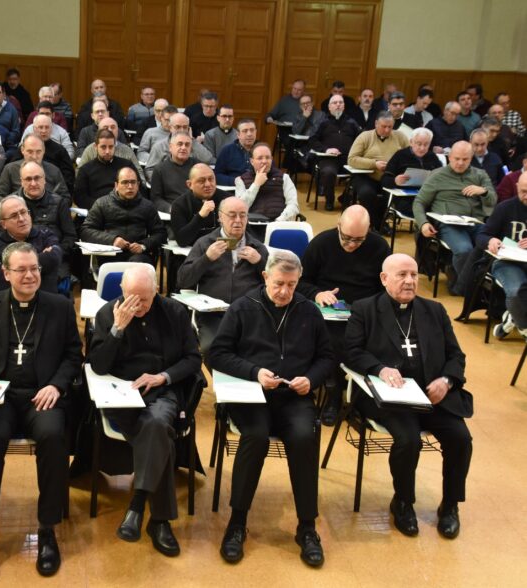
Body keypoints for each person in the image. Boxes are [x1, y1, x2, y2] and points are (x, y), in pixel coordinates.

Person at [0, 242, 82, 579]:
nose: (29, 275)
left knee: (54, 436)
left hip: (42, 395)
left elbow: (73, 355)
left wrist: (56, 385)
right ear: (6, 273)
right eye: (22, 270)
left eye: (35, 269)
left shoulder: (59, 306)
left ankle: (47, 529)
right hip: (0, 396)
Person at [209, 249, 335, 567]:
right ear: (265, 276)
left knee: (305, 437)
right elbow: (216, 354)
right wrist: (254, 372)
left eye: (292, 285)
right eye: (279, 283)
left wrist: (312, 379)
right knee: (255, 436)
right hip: (251, 395)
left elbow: (327, 358)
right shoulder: (242, 308)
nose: (284, 291)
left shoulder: (309, 311)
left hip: (293, 396)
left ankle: (307, 527)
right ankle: (237, 522)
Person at [345, 253, 473, 540]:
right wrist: (379, 368)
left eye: (414, 275)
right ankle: (403, 502)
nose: (410, 281)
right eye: (402, 275)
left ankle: (450, 505)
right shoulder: (365, 309)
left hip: (433, 396)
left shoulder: (434, 310)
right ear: (384, 278)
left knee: (461, 439)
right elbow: (351, 352)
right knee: (408, 440)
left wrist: (447, 380)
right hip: (392, 398)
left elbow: (456, 355)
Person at [89, 265, 202, 557]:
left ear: (156, 291)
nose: (137, 307)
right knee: (157, 433)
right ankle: (159, 521)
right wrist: (117, 330)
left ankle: (139, 505)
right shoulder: (107, 315)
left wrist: (163, 376)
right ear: (122, 293)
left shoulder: (175, 313)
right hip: (122, 395)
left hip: (163, 390)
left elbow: (193, 359)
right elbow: (99, 366)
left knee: (156, 424)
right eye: (131, 299)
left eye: (144, 300)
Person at [298, 205, 390, 425]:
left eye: (358, 240)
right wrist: (318, 293)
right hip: (327, 313)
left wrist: (370, 307)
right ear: (338, 226)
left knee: (378, 339)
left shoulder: (379, 246)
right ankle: (334, 393)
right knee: (334, 341)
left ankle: (362, 397)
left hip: (365, 311)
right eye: (346, 238)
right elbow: (300, 281)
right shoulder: (322, 243)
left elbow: (385, 288)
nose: (351, 245)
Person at [177, 197, 268, 356]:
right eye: (232, 215)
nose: (238, 220)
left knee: (257, 349)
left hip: (249, 314)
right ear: (220, 217)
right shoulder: (204, 243)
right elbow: (183, 280)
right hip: (213, 315)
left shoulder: (257, 247)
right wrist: (206, 258)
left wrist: (260, 262)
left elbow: (274, 284)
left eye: (243, 215)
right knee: (213, 349)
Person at [413, 141, 496, 295]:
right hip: (449, 224)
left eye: (465, 159)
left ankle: (473, 284)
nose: (460, 163)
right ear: (449, 157)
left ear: (471, 158)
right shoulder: (437, 175)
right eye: (456, 158)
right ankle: (466, 288)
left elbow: (493, 201)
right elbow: (419, 202)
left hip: (475, 222)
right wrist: (423, 223)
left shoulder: (480, 175)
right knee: (465, 250)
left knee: (493, 248)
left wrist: (483, 191)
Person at [80, 167, 167, 265]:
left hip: (138, 257)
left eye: (133, 182)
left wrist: (143, 245)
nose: (130, 186)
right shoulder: (102, 203)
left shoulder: (148, 206)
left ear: (138, 185)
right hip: (110, 254)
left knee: (137, 264)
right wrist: (112, 240)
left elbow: (161, 234)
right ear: (116, 185)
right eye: (125, 182)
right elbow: (85, 231)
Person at [477, 172, 527, 339]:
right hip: (507, 262)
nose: (526, 196)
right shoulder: (505, 208)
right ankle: (524, 327)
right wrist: (490, 240)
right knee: (515, 291)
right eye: (524, 191)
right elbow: (482, 235)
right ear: (517, 187)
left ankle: (513, 316)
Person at [0, 195, 62, 293]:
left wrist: (13, 270)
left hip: (46, 298)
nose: (21, 218)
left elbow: (54, 258)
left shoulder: (45, 233)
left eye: (24, 212)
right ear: (3, 224)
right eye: (14, 216)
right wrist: (41, 260)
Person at [14, 161, 77, 281]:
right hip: (20, 261)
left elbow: (70, 237)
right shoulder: (11, 204)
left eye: (37, 178)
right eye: (28, 179)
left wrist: (56, 252)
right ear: (21, 181)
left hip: (53, 260)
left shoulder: (59, 203)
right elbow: (1, 236)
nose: (33, 183)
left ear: (44, 180)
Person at [347, 111, 409, 230]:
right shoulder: (365, 136)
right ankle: (375, 224)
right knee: (367, 194)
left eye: (390, 127)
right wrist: (374, 164)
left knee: (391, 195)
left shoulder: (400, 137)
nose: (387, 130)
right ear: (376, 124)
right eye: (384, 126)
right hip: (366, 176)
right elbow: (352, 159)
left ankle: (380, 222)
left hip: (390, 177)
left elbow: (409, 156)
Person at [308, 94, 361, 210]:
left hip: (349, 159)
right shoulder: (322, 122)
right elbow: (312, 139)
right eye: (335, 103)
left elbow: (361, 139)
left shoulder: (351, 122)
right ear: (329, 107)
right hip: (328, 159)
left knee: (361, 173)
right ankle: (329, 200)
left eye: (340, 102)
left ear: (344, 106)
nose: (338, 105)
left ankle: (345, 198)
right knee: (328, 172)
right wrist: (326, 149)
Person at [381, 127, 444, 217]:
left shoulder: (432, 157)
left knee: (440, 207)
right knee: (419, 209)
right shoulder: (400, 155)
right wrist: (395, 181)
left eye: (426, 144)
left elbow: (442, 177)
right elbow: (384, 180)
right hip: (404, 197)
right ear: (411, 142)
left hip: (426, 196)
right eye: (419, 144)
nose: (422, 148)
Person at [0, 134, 70, 204]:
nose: (34, 156)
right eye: (30, 151)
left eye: (38, 152)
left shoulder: (54, 170)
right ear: (22, 150)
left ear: (44, 151)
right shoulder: (10, 169)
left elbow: (66, 198)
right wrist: (13, 206)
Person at [73, 129, 139, 210]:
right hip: (97, 211)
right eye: (103, 147)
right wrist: (103, 207)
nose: (107, 151)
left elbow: (139, 190)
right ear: (95, 147)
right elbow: (80, 198)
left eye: (111, 147)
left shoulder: (127, 166)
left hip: (125, 210)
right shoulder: (85, 170)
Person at [235, 142, 299, 223]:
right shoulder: (241, 180)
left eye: (268, 157)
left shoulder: (284, 178)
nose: (264, 161)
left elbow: (293, 205)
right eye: (260, 158)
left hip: (279, 224)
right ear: (252, 161)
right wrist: (256, 184)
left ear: (272, 159)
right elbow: (240, 208)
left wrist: (278, 222)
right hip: (252, 225)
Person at [171, 163, 228, 247]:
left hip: (223, 250)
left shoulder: (227, 200)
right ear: (189, 184)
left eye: (211, 179)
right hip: (192, 254)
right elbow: (182, 241)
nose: (208, 184)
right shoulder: (179, 204)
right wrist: (200, 216)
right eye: (201, 181)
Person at [150, 132, 198, 213]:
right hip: (171, 213)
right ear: (170, 147)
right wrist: (171, 209)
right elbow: (156, 199)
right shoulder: (159, 169)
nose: (183, 147)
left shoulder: (199, 167)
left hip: (196, 211)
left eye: (187, 145)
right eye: (180, 144)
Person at [214, 119, 258, 185]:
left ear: (256, 132)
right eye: (245, 131)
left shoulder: (262, 149)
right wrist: (235, 181)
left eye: (252, 130)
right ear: (238, 134)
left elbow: (274, 172)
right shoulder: (227, 150)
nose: (249, 134)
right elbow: (217, 176)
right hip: (233, 189)